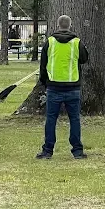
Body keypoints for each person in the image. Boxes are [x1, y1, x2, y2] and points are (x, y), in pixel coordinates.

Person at [36, 15, 89, 160]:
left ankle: (47, 151)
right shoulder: (77, 43)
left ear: (58, 25)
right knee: (74, 119)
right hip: (73, 87)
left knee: (51, 119)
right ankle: (77, 151)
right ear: (70, 26)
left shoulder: (50, 42)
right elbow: (84, 59)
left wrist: (44, 82)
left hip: (54, 87)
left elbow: (43, 65)